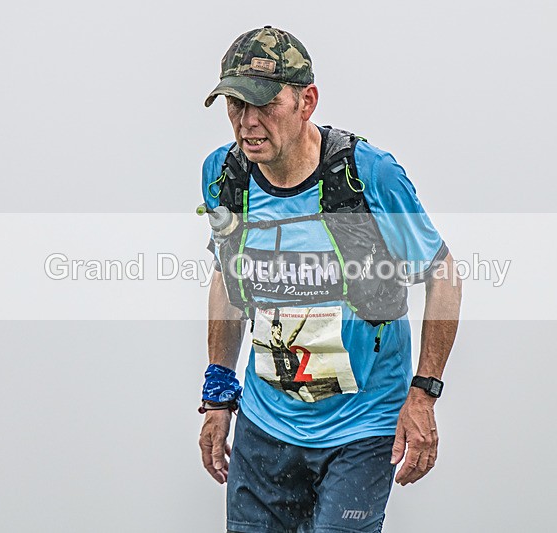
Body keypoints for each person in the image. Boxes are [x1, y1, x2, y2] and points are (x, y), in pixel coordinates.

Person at [197, 26, 462, 533]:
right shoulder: (223, 174)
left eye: (265, 104)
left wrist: (424, 394)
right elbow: (227, 279)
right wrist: (218, 392)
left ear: (306, 101)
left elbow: (443, 274)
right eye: (235, 106)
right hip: (265, 425)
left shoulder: (369, 174)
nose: (248, 123)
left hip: (360, 429)